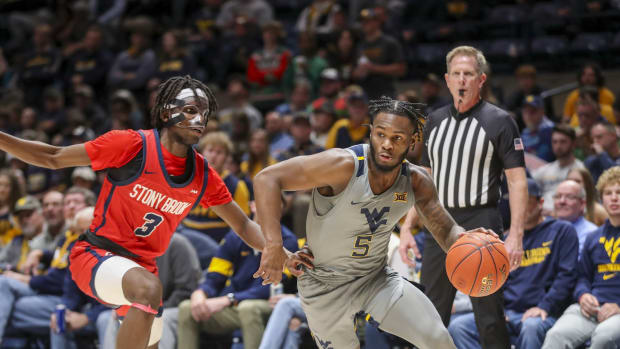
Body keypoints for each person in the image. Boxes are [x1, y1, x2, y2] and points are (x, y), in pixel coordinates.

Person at [0, 75, 272, 349]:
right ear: (166, 113)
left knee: (151, 333)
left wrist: (281, 253)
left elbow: (244, 226)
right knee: (151, 289)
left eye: (204, 113)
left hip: (142, 270)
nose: (199, 119)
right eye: (190, 110)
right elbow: (54, 157)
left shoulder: (202, 174)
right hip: (96, 255)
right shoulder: (131, 145)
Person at [253, 95, 496, 348]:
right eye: (381, 134)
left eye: (397, 138)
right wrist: (273, 245)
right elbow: (267, 179)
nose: (387, 145)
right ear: (371, 132)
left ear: (413, 141)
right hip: (323, 285)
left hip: (375, 278)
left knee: (437, 339)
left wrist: (469, 241)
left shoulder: (416, 180)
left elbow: (446, 232)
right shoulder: (342, 165)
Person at [399, 46, 527, 349]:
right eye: (456, 74)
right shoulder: (434, 121)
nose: (462, 80)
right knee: (429, 314)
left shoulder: (500, 121)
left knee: (490, 316)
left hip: (481, 221)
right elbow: (423, 180)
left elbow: (517, 181)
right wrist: (406, 227)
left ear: (481, 79)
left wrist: (516, 236)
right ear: (446, 79)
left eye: (468, 74)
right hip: (438, 222)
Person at [449, 179, 579, 349]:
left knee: (531, 327)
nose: (519, 206)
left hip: (542, 312)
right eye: (515, 202)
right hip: (508, 313)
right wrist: (497, 310)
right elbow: (497, 278)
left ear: (540, 203)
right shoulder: (505, 238)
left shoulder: (562, 230)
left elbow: (566, 277)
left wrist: (544, 307)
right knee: (459, 327)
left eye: (526, 201)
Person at [542, 166, 620, 349]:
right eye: (608, 193)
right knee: (556, 335)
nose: (614, 197)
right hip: (591, 308)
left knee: (604, 337)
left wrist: (618, 305)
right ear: (601, 198)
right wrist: (583, 294)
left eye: (619, 192)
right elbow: (582, 276)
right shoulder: (594, 237)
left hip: (617, 310)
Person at [533, 125, 584, 214]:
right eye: (554, 142)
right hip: (542, 217)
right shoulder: (544, 170)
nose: (558, 146)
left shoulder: (581, 170)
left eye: (563, 142)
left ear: (573, 144)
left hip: (568, 216)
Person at [553, 180, 597, 254]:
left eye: (569, 197)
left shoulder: (591, 234)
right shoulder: (546, 231)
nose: (562, 201)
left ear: (582, 204)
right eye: (558, 196)